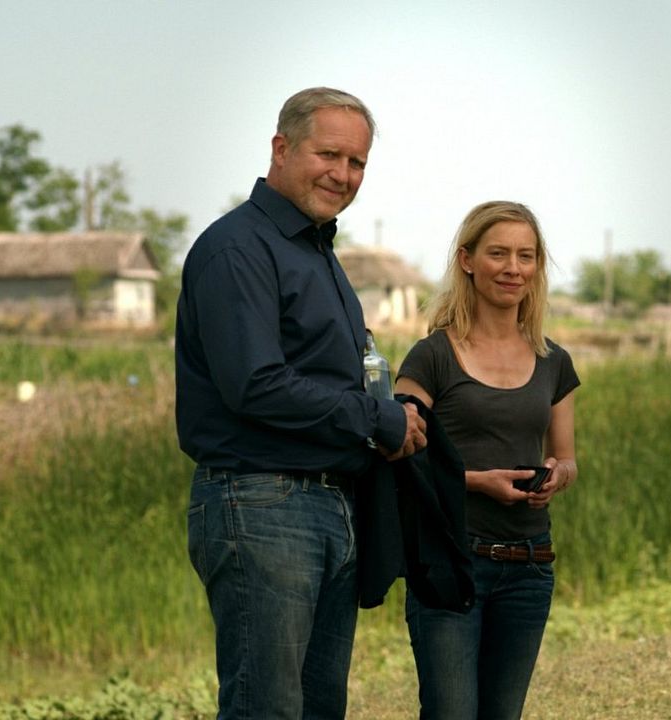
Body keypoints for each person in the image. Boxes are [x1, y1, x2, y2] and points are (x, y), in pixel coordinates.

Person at [175, 87, 427, 720]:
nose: (343, 174)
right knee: (267, 709)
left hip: (329, 502)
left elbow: (331, 377)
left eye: (357, 162)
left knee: (318, 709)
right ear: (281, 148)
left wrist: (390, 411)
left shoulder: (315, 250)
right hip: (264, 502)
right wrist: (378, 418)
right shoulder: (239, 248)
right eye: (329, 155)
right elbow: (255, 384)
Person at [394, 200, 580, 720]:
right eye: (498, 253)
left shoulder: (554, 361)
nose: (512, 268)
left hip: (529, 567)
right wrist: (477, 481)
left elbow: (567, 459)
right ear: (467, 260)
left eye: (526, 255)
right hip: (452, 562)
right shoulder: (431, 356)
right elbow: (402, 458)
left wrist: (557, 476)